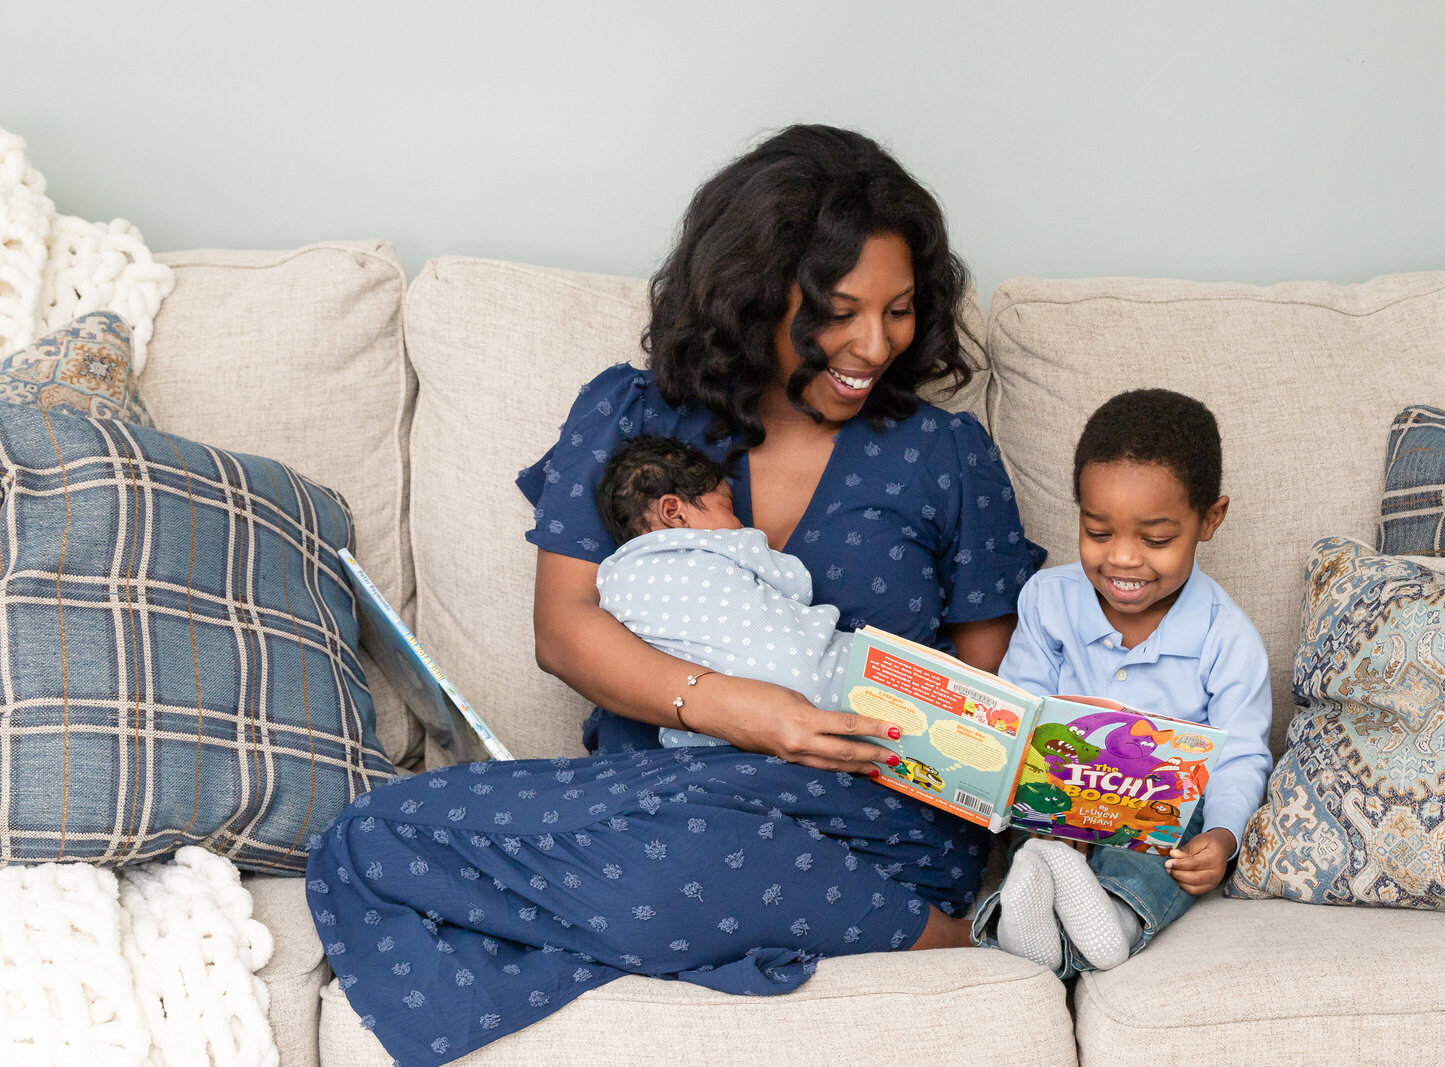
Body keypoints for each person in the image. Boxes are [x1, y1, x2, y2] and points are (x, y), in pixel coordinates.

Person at [307, 125, 1042, 1067]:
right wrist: (741, 711)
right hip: (653, 790)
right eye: (840, 311)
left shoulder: (946, 454)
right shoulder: (631, 415)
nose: (874, 344)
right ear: (752, 292)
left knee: (678, 864)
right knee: (375, 830)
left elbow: (991, 692)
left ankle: (932, 929)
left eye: (898, 311)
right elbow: (565, 631)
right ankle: (738, 914)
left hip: (870, 810)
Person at [976, 388, 1272, 976]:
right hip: (1058, 799)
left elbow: (1240, 755)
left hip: (1161, 809)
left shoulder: (1226, 636)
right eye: (1098, 532)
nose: (1124, 560)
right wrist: (1049, 817)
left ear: (1210, 519)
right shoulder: (1046, 600)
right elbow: (1016, 710)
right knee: (1026, 841)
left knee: (1167, 856)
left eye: (1156, 540)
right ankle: (1031, 903)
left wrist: (1223, 835)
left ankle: (1114, 917)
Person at [593, 433, 858, 748]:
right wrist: (755, 544)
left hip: (724, 730)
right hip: (823, 675)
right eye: (728, 507)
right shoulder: (725, 541)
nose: (737, 521)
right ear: (674, 512)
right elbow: (797, 585)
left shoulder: (612, 582)